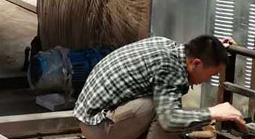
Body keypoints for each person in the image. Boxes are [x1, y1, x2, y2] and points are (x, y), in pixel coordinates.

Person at [74, 35, 245, 139]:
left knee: (164, 104)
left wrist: (215, 48)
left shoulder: (171, 47)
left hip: (91, 116)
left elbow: (198, 51)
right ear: (196, 63)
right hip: (97, 126)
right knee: (164, 111)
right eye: (211, 74)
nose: (208, 80)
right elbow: (169, 120)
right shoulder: (170, 70)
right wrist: (213, 112)